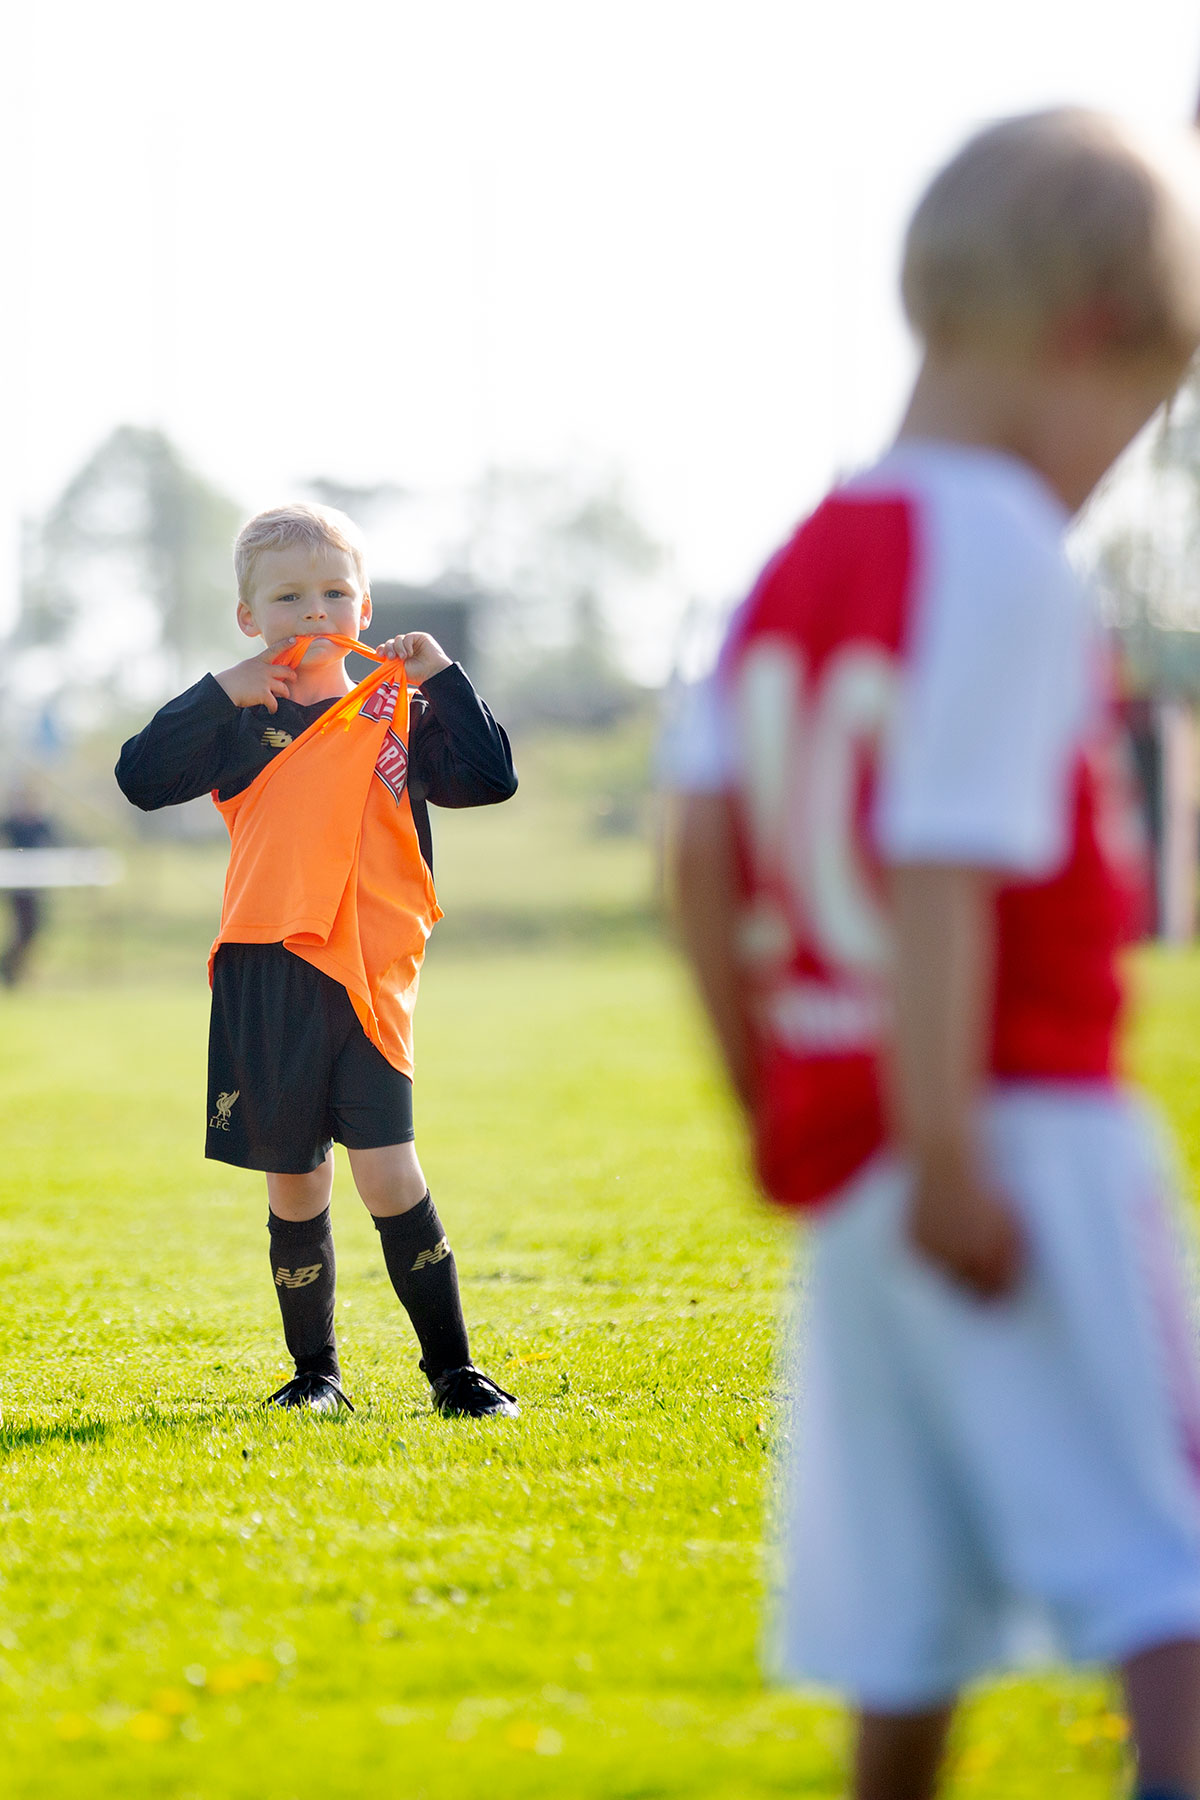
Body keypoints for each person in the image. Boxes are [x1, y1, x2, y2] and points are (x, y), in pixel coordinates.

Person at [670, 111, 1200, 1800]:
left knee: (904, 1625)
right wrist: (957, 1147)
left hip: (861, 1169)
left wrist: (782, 1100)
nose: (1111, 463)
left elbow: (694, 860)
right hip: (1012, 1137)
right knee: (1171, 1569)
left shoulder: (796, 562)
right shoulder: (1001, 551)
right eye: (1141, 416)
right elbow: (941, 863)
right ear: (1092, 339)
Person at [117, 502, 519, 1420]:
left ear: (365, 608)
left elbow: (490, 779)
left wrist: (445, 678)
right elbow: (140, 778)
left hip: (370, 973)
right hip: (268, 971)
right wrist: (225, 687)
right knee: (295, 1179)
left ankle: (454, 1372)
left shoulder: (400, 714)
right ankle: (316, 1376)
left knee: (388, 1173)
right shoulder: (238, 718)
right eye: (289, 596)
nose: (315, 611)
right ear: (250, 617)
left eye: (335, 592)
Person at [0, 781, 57, 987]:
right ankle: (9, 969)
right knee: (22, 928)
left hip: (35, 887)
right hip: (17, 886)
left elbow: (54, 845)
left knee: (33, 929)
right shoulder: (11, 823)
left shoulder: (41, 824)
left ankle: (13, 968)